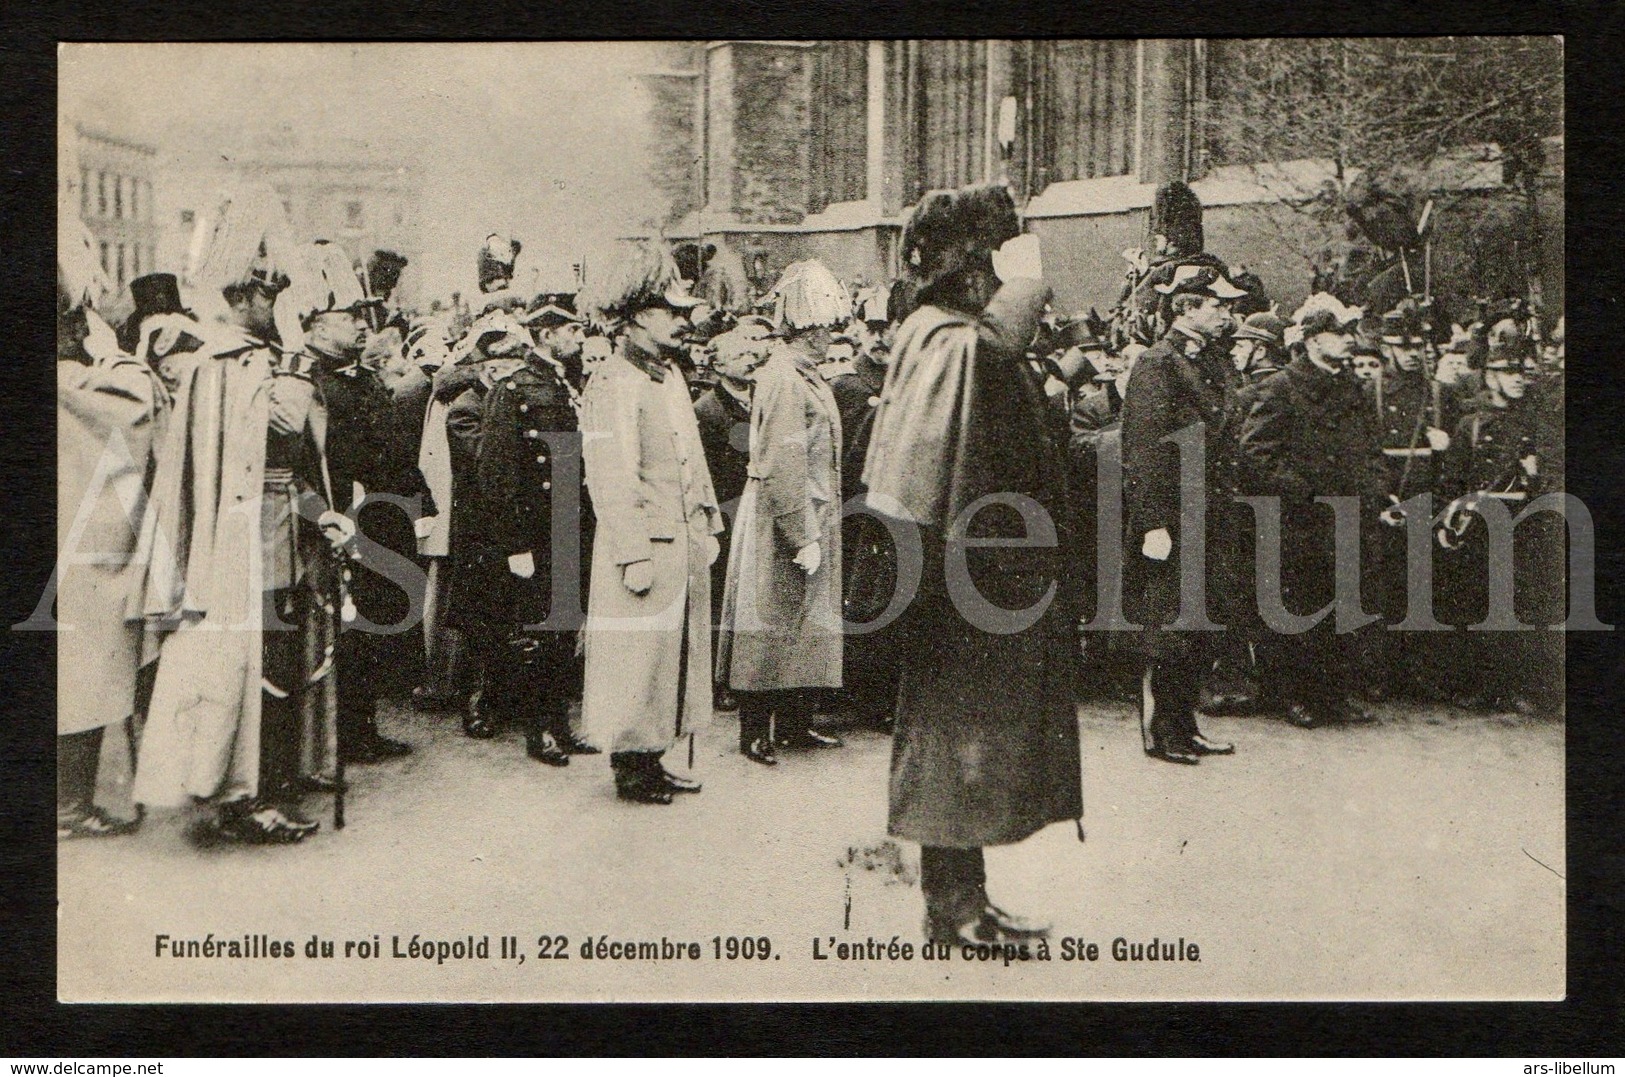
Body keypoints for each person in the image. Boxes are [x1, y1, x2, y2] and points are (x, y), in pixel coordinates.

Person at [864, 183, 1082, 945]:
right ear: (972, 268)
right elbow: (990, 352)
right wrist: (1027, 280)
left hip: (975, 574)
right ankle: (949, 909)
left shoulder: (947, 331)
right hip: (953, 581)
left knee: (970, 741)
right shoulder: (942, 336)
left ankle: (966, 896)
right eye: (994, 262)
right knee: (952, 740)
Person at [131, 185, 351, 844]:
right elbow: (260, 442)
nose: (275, 303)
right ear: (242, 296)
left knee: (281, 667)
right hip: (239, 547)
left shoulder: (255, 361)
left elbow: (289, 463)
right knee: (251, 672)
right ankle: (244, 795)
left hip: (283, 537)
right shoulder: (224, 364)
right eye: (268, 294)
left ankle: (268, 784)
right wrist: (299, 367)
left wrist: (323, 515)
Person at [577, 245, 723, 805]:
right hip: (642, 545)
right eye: (672, 312)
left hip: (680, 537)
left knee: (672, 657)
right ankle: (630, 767)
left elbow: (692, 457)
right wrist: (633, 552)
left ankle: (654, 755)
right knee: (638, 659)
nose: (684, 323)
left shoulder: (668, 377)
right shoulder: (613, 381)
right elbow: (611, 474)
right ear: (638, 317)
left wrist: (706, 517)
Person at [54, 217, 163, 839]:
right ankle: (69, 807)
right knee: (85, 659)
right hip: (78, 542)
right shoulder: (79, 382)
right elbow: (134, 408)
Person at [293, 241, 419, 766]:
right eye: (349, 318)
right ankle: (340, 731)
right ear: (318, 326)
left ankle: (362, 724)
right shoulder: (310, 382)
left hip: (380, 519)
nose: (362, 326)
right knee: (343, 628)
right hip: (338, 519)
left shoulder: (359, 378)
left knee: (374, 625)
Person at [716, 260, 847, 765]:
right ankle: (755, 729)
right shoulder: (785, 378)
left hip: (809, 512)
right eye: (824, 328)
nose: (830, 337)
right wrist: (801, 533)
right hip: (783, 515)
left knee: (802, 623)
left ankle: (794, 721)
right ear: (805, 330)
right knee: (769, 622)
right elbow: (781, 460)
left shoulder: (803, 375)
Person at [1237, 293, 1387, 728]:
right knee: (1301, 607)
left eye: (1349, 334)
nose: (1348, 342)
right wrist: (1304, 491)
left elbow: (1370, 448)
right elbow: (1255, 453)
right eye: (1338, 334)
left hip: (1350, 515)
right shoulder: (1282, 387)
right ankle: (1298, 696)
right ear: (1312, 341)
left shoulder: (1352, 389)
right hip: (1300, 522)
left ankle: (1334, 695)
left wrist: (1375, 487)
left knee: (1345, 604)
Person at [1120, 269, 1247, 764]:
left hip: (1211, 516)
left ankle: (1185, 724)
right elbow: (1145, 449)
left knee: (1202, 623)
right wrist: (1153, 522)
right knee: (1168, 628)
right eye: (1218, 305)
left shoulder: (1210, 362)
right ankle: (1159, 730)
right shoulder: (1158, 364)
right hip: (1172, 519)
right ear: (1186, 309)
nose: (1227, 313)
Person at [474, 300, 599, 765]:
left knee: (565, 629)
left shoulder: (565, 382)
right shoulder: (514, 388)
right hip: (536, 527)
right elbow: (496, 471)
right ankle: (537, 731)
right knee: (538, 632)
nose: (578, 337)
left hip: (570, 522)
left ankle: (560, 724)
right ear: (547, 335)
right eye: (570, 329)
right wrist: (514, 543)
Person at [1435, 341, 1551, 713]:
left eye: (1522, 372)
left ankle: (1519, 687)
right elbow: (1451, 482)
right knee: (1475, 603)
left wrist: (1535, 476)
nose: (1518, 380)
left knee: (1520, 605)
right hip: (1479, 526)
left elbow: (1548, 478)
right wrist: (1447, 521)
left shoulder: (1534, 423)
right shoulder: (1470, 424)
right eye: (1508, 372)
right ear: (1490, 376)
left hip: (1523, 525)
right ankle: (1479, 686)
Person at [441, 311, 531, 738]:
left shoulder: (507, 402)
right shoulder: (467, 408)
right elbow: (486, 465)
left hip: (511, 523)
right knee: (482, 618)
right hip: (480, 530)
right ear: (490, 365)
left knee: (511, 612)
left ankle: (506, 698)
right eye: (509, 361)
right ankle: (476, 702)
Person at [831, 280, 915, 730]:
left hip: (903, 510)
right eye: (874, 327)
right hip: (859, 513)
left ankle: (892, 697)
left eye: (892, 327)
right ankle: (863, 697)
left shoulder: (913, 380)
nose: (882, 338)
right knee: (865, 601)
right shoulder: (846, 386)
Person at [693, 316, 773, 710]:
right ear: (718, 365)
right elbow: (703, 471)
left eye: (750, 352)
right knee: (720, 595)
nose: (749, 360)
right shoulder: (707, 411)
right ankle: (717, 679)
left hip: (755, 510)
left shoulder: (761, 399)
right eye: (738, 355)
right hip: (725, 514)